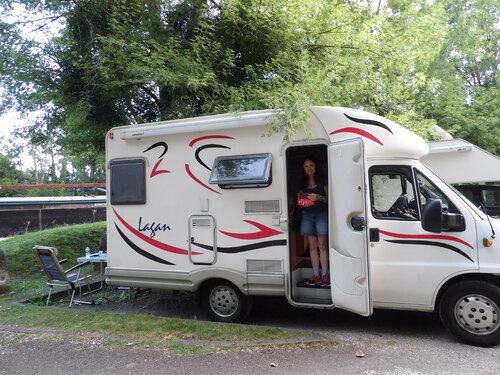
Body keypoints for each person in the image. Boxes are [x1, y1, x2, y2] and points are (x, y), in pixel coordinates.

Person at [298, 157, 330, 287]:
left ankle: (325, 275)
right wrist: (303, 203)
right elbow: (300, 200)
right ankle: (315, 274)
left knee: (321, 245)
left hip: (321, 214)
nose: (309, 168)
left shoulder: (322, 179)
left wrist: (319, 197)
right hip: (307, 215)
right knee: (312, 245)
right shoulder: (302, 181)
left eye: (311, 165)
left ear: (316, 166)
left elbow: (330, 199)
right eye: (306, 166)